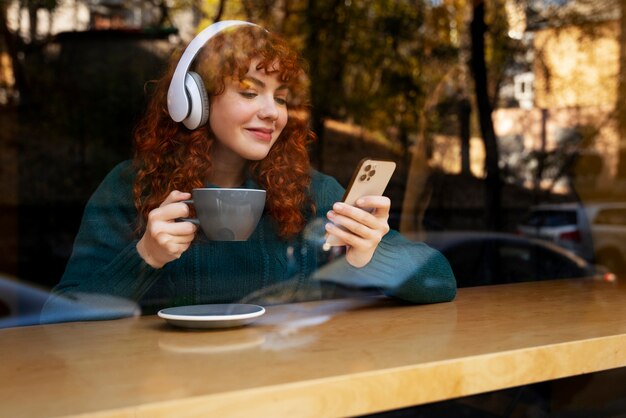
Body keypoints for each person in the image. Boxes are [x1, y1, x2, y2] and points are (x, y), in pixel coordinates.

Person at [42, 21, 456, 321]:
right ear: (193, 101)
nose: (272, 112)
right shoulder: (130, 188)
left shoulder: (310, 192)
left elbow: (440, 282)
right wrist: (146, 256)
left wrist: (371, 254)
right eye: (249, 92)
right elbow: (57, 318)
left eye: (281, 97)